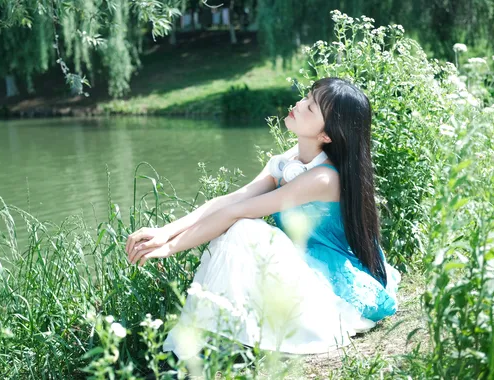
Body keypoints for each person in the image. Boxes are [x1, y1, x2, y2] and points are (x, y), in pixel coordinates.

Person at [125, 77, 401, 359]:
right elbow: (232, 199)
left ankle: (222, 337)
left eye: (310, 107)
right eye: (306, 97)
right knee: (242, 228)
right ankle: (220, 335)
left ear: (327, 135)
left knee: (245, 229)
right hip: (306, 268)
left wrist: (169, 247)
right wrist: (164, 231)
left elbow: (237, 212)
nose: (299, 104)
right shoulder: (292, 160)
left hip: (332, 287)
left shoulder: (323, 178)